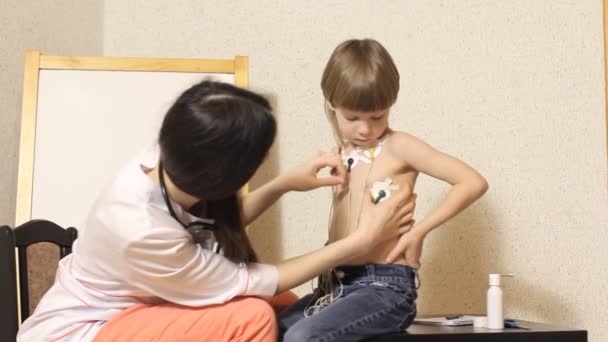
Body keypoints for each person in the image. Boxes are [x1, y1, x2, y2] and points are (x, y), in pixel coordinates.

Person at [17, 80, 416, 342]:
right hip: (85, 330)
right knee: (255, 318)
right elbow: (253, 281)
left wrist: (284, 183)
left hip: (137, 304)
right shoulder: (139, 227)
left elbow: (212, 223)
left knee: (291, 304)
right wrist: (360, 241)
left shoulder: (169, 157)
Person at [278, 39, 489, 341]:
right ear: (331, 103)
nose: (365, 129)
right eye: (352, 118)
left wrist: (418, 232)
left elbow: (472, 182)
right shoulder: (342, 153)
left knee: (302, 338)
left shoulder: (399, 146)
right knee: (269, 329)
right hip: (336, 286)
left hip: (385, 287)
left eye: (377, 116)